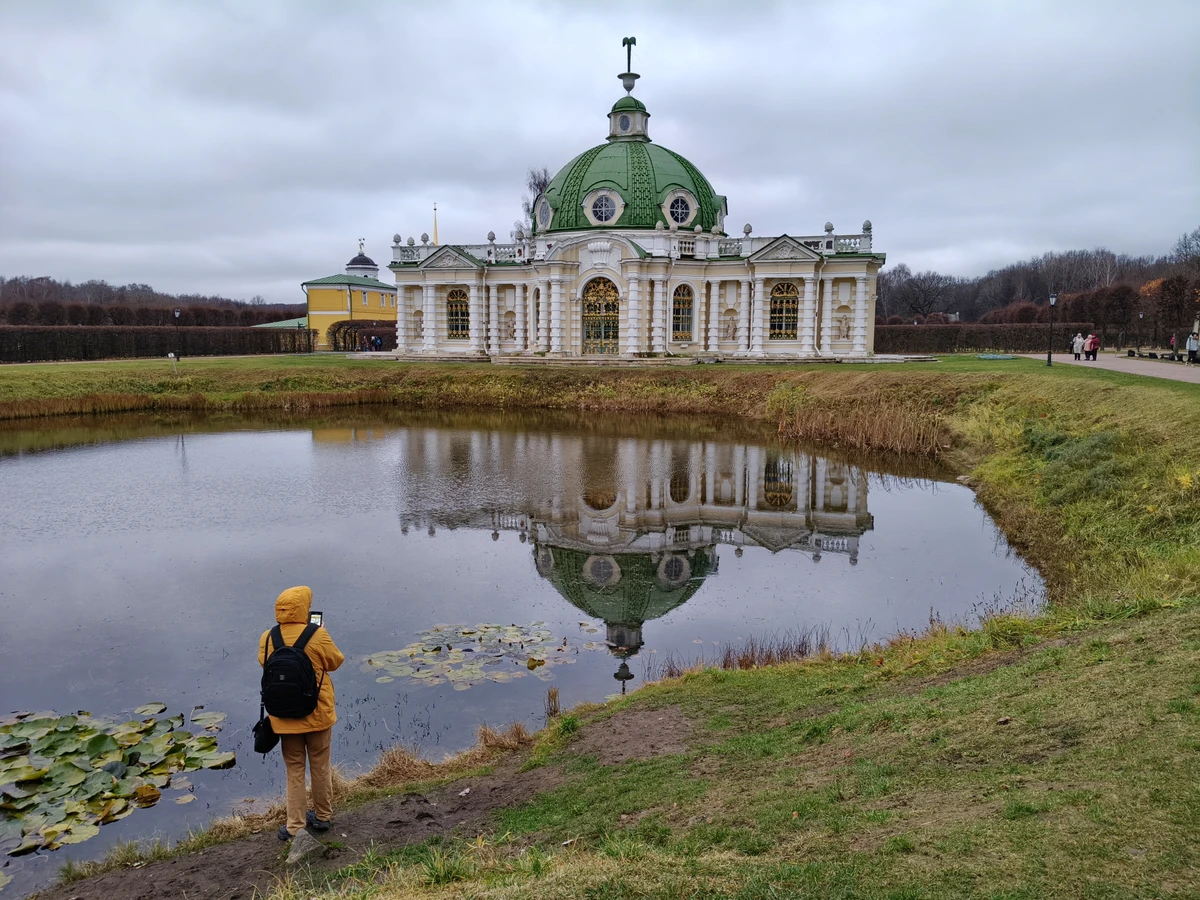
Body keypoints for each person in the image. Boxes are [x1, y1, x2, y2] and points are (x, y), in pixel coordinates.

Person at [258, 586, 344, 841]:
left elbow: (265, 664)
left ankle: (295, 826)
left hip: (284, 716)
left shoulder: (268, 637)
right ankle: (322, 816)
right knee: (320, 765)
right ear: (305, 609)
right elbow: (335, 662)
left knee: (294, 768)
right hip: (316, 713)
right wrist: (322, 633)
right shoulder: (317, 635)